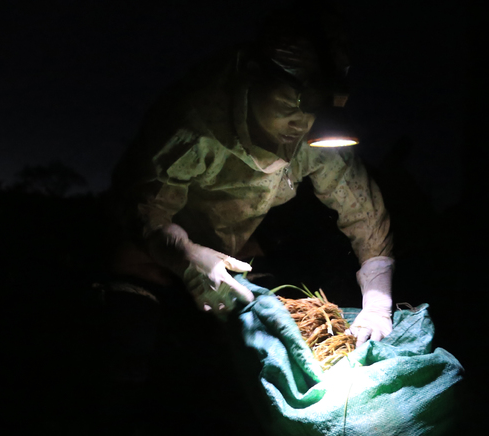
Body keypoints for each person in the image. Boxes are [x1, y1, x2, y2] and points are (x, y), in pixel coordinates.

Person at [97, 4, 394, 434]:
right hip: (150, 253)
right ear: (254, 76)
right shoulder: (195, 121)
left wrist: (378, 304)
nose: (302, 122)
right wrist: (186, 254)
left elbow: (363, 212)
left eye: (316, 108)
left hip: (235, 254)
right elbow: (145, 208)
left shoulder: (314, 131)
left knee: (237, 373)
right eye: (295, 103)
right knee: (133, 353)